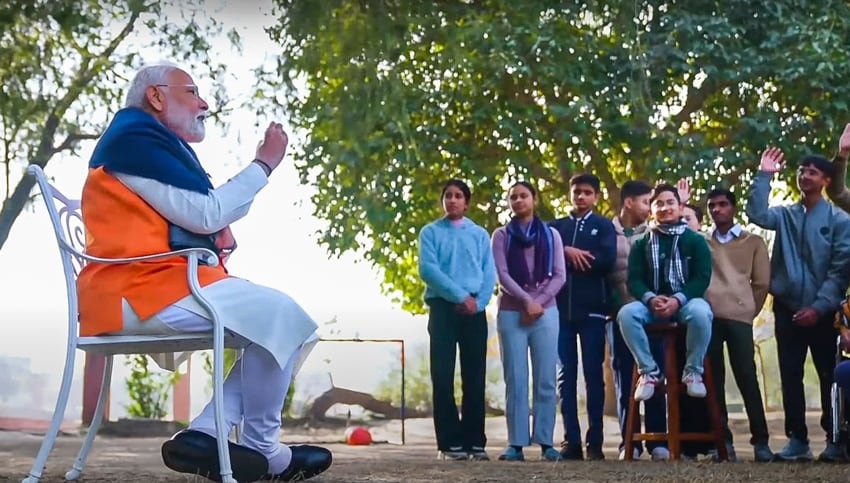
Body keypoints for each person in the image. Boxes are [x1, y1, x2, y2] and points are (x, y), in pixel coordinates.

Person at [77, 63, 332, 482]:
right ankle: (262, 450)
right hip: (137, 288)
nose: (205, 103)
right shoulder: (133, 141)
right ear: (156, 98)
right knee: (284, 318)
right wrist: (263, 165)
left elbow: (203, 215)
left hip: (157, 282)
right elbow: (207, 214)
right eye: (192, 92)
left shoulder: (141, 143)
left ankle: (207, 433)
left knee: (289, 325)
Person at [746, 147, 850, 462]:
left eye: (812, 172)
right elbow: (756, 214)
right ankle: (797, 440)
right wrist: (764, 175)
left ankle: (835, 440)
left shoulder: (839, 220)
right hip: (788, 308)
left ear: (826, 180)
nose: (804, 176)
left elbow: (840, 269)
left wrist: (818, 307)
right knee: (790, 373)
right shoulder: (786, 214)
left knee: (829, 376)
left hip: (825, 312)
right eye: (801, 170)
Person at [418, 179, 497, 461]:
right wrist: (459, 296)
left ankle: (475, 441)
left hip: (474, 311)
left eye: (458, 196)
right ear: (443, 200)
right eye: (448, 196)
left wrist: (478, 303)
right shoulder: (430, 233)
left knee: (475, 377)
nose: (452, 200)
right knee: (442, 375)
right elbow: (428, 270)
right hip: (443, 309)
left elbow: (489, 273)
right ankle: (449, 443)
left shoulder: (478, 234)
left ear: (467, 202)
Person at [616, 183, 713, 402]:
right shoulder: (642, 242)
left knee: (702, 313)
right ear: (651, 210)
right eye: (659, 203)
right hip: (652, 304)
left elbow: (702, 278)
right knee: (627, 314)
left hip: (686, 302)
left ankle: (693, 372)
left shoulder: (695, 240)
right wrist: (650, 299)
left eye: (670, 203)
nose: (665, 208)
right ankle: (649, 372)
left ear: (680, 208)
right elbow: (634, 280)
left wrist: (678, 300)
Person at [491, 182, 566, 462]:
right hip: (512, 312)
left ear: (534, 199)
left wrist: (539, 301)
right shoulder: (501, 236)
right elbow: (502, 275)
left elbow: (560, 275)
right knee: (516, 378)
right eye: (513, 197)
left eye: (523, 196)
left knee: (546, 378)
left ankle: (546, 442)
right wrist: (526, 300)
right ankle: (516, 443)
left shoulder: (552, 235)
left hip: (547, 313)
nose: (518, 201)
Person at [549, 173, 617, 460]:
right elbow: (547, 257)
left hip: (593, 310)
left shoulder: (604, 226)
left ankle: (596, 442)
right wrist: (565, 250)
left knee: (593, 376)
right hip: (560, 311)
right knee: (566, 377)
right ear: (570, 194)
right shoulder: (556, 228)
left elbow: (605, 260)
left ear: (596, 197)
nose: (581, 197)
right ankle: (571, 442)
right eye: (576, 191)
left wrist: (573, 257)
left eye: (587, 192)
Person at [703, 188, 773, 462]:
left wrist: (747, 310)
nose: (717, 210)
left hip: (739, 318)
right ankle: (723, 443)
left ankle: (762, 441)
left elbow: (763, 283)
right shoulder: (702, 241)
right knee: (713, 380)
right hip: (709, 318)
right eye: (712, 206)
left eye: (722, 205)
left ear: (733, 208)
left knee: (746, 376)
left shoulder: (752, 241)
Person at [607, 180, 670, 461]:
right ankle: (628, 442)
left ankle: (658, 441)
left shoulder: (657, 234)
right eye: (646, 202)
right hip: (618, 318)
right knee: (624, 383)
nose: (651, 208)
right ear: (629, 202)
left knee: (654, 375)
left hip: (651, 317)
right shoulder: (607, 233)